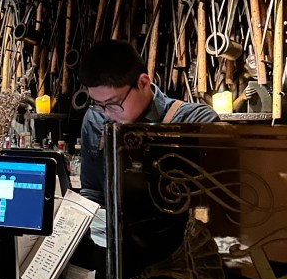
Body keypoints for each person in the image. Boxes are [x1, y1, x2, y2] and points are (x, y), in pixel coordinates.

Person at [78, 40, 219, 207]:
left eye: (113, 103)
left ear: (143, 83)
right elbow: (93, 192)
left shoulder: (196, 122)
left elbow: (214, 204)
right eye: (97, 104)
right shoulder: (95, 119)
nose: (107, 113)